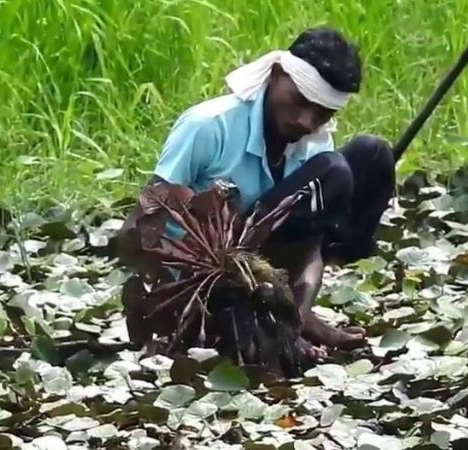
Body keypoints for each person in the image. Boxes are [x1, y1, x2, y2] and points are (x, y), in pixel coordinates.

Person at [127, 27, 395, 360]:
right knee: (335, 171)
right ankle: (266, 322)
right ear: (277, 74)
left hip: (267, 272)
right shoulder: (209, 126)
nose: (306, 121)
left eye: (323, 114)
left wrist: (291, 325)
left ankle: (291, 319)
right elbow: (140, 223)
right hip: (209, 283)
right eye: (299, 101)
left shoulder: (315, 144)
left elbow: (311, 246)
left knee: (371, 156)